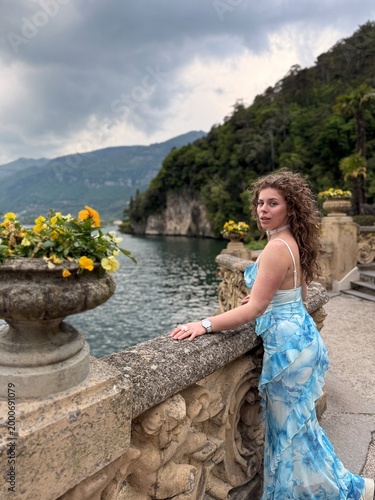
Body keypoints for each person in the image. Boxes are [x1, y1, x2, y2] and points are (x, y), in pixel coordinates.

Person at [170, 170, 374, 499]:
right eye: (260, 203)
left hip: (287, 350)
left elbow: (253, 310)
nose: (263, 209)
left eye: (273, 203)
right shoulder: (291, 241)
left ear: (289, 209)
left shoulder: (276, 247)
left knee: (289, 436)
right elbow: (300, 295)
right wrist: (268, 297)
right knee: (301, 432)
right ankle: (335, 488)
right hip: (301, 339)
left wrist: (205, 324)